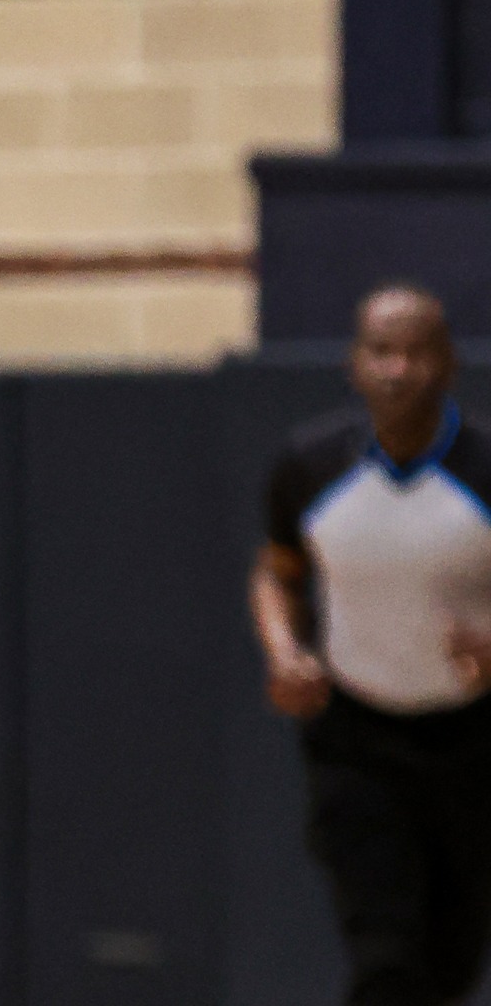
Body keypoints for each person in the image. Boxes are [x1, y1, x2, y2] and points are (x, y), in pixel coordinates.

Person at [251, 284, 491, 1006]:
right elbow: (276, 572)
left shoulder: (483, 469)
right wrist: (284, 650)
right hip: (355, 740)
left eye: (417, 351)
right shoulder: (309, 466)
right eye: (381, 350)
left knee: (451, 960)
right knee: (386, 953)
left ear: (447, 363)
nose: (398, 368)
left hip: (472, 740)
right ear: (356, 363)